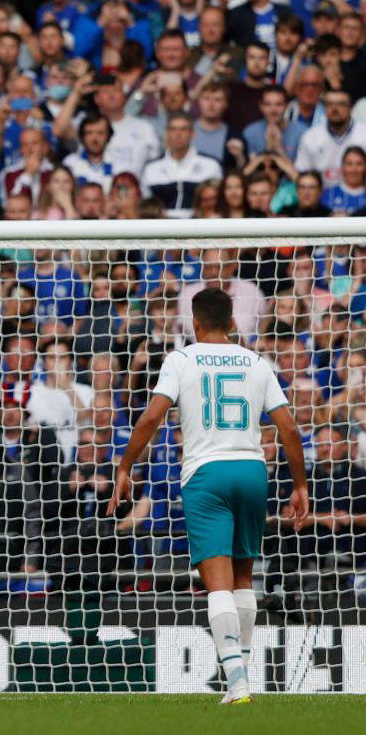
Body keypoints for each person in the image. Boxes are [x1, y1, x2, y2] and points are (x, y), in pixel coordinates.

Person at [109, 287, 310, 705]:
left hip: (206, 473)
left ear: (195, 324)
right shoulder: (257, 361)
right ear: (233, 323)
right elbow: (289, 429)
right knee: (243, 578)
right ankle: (243, 674)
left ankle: (236, 683)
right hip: (253, 472)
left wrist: (125, 466)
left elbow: (151, 416)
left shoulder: (181, 359)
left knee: (216, 582)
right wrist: (300, 485)